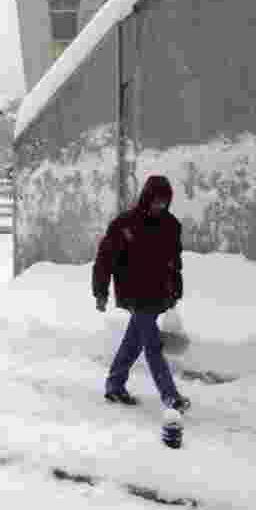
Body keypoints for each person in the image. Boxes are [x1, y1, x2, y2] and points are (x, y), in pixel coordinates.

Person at [93, 175, 191, 413]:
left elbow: (174, 262)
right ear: (146, 198)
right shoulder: (125, 224)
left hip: (159, 293)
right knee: (153, 346)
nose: (160, 206)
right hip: (135, 293)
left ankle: (115, 384)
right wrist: (100, 291)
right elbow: (105, 259)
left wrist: (176, 289)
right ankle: (170, 396)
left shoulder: (171, 225)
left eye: (164, 202)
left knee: (133, 341)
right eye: (156, 200)